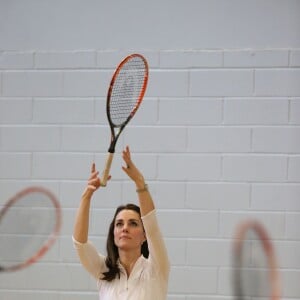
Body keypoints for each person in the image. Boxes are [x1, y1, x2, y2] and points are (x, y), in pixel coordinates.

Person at [73, 146, 170, 300]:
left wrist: (140, 183)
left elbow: (151, 225)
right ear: (114, 233)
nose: (125, 228)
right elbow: (80, 243)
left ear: (144, 236)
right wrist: (87, 196)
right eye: (119, 224)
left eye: (133, 223)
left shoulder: (156, 267)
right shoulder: (103, 270)